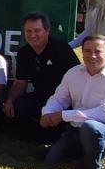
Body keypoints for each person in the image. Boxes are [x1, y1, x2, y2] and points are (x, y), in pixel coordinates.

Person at [41, 35, 105, 169]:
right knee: (51, 160)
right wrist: (47, 113)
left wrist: (63, 115)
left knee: (91, 128)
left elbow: (104, 115)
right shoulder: (73, 73)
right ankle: (89, 150)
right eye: (88, 51)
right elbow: (59, 98)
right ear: (82, 52)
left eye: (98, 51)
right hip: (76, 129)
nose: (92, 56)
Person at [5, 13, 80, 142]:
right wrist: (10, 100)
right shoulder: (24, 53)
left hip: (65, 99)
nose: (32, 35)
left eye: (37, 30)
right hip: (40, 96)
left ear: (47, 31)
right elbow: (20, 83)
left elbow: (79, 78)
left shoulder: (61, 49)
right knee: (19, 107)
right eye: (28, 31)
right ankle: (33, 138)